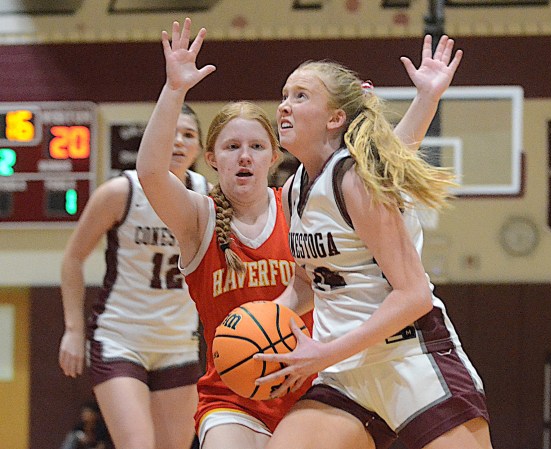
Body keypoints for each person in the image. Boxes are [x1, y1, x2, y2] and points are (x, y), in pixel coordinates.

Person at [136, 18, 462, 449]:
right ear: (212, 159)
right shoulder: (202, 218)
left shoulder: (302, 198)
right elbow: (152, 174)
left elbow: (382, 165)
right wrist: (174, 89)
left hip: (321, 378)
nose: (244, 157)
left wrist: (425, 101)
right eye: (232, 147)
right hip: (241, 389)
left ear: (273, 156)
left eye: (255, 146)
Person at [252, 32, 494, 449]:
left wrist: (324, 353)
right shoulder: (294, 189)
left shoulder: (355, 181)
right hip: (346, 374)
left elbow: (414, 295)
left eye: (301, 95)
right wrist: (260, 324)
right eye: (284, 94)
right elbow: (307, 283)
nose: (284, 105)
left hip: (412, 361)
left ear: (335, 118)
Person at [58, 102, 209, 449]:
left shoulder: (206, 196)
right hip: (121, 338)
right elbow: (72, 258)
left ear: (199, 148)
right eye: (171, 133)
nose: (179, 142)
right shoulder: (121, 192)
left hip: (178, 342)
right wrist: (72, 329)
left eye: (188, 135)